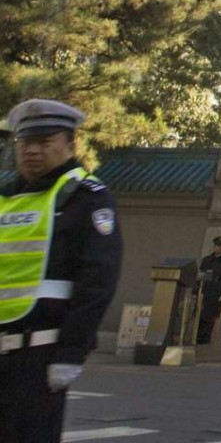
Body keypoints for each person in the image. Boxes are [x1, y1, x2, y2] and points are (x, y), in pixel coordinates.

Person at [0, 99, 123, 442]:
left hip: (39, 355)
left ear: (69, 144)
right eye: (25, 143)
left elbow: (97, 281)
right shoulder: (5, 197)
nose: (32, 151)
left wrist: (71, 352)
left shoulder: (86, 197)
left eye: (44, 142)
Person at [196, 236, 221, 344]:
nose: (219, 248)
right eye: (217, 246)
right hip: (205, 291)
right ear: (214, 246)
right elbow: (201, 276)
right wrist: (196, 290)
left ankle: (205, 340)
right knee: (200, 318)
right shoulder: (207, 260)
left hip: (216, 293)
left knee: (210, 319)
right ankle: (197, 339)